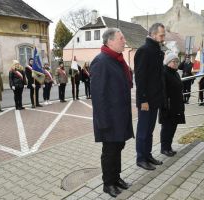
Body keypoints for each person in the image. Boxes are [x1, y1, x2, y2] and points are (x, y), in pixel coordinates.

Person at [91, 28, 134, 198]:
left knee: (118, 148)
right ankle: (108, 184)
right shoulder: (101, 61)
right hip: (109, 119)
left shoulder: (117, 59)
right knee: (109, 151)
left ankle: (116, 178)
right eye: (121, 38)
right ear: (110, 41)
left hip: (120, 116)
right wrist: (103, 122)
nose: (124, 41)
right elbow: (98, 95)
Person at [134, 23, 165, 171]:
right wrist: (143, 100)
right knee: (143, 130)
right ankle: (140, 158)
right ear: (153, 35)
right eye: (161, 35)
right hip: (146, 101)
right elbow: (140, 79)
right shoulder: (144, 51)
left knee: (150, 130)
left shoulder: (157, 51)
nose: (163, 38)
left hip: (155, 99)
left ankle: (148, 155)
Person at [159, 52, 185, 157]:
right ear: (168, 62)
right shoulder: (164, 72)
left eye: (177, 61)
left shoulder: (175, 73)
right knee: (166, 128)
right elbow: (163, 91)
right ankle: (164, 148)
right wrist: (165, 105)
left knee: (173, 127)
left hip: (176, 105)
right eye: (173, 61)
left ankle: (169, 147)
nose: (175, 63)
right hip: (168, 106)